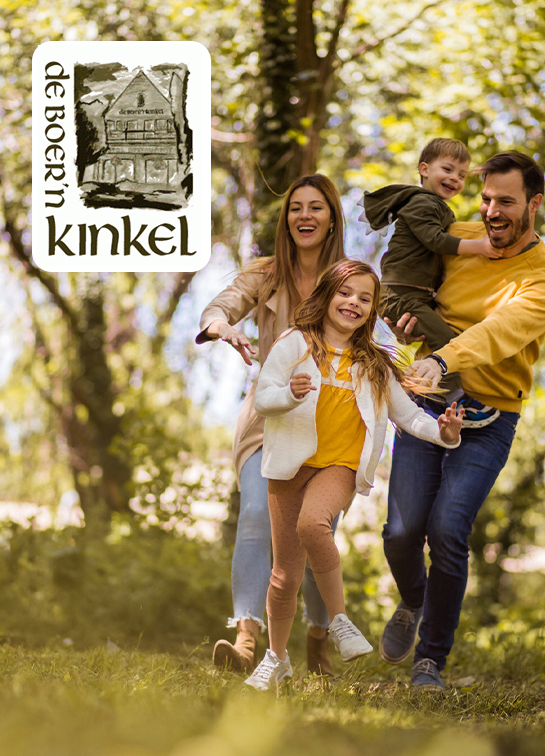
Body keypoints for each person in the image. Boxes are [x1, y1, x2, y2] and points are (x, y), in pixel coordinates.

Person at [378, 151, 545, 689]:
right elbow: (404, 276)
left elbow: (498, 332)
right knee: (400, 532)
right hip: (426, 401)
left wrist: (443, 358)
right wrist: (402, 317)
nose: (491, 212)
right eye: (486, 199)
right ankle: (414, 600)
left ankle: (430, 660)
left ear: (534, 203)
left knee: (447, 529)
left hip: (491, 415)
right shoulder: (457, 238)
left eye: (506, 201)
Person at [244, 260, 463, 690]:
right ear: (327, 295)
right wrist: (289, 394)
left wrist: (443, 433)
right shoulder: (295, 344)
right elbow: (264, 398)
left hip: (340, 466)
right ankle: (276, 658)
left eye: (365, 298)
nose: (353, 303)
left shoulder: (374, 364)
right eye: (345, 293)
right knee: (284, 576)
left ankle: (340, 621)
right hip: (290, 465)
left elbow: (408, 416)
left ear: (372, 310)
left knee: (313, 524)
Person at [196, 174, 347, 677]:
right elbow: (220, 305)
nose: (304, 216)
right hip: (270, 415)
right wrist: (221, 324)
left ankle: (318, 638)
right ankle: (246, 642)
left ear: (332, 219)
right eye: (295, 208)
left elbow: (382, 336)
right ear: (286, 220)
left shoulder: (349, 280)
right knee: (257, 516)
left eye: (315, 207)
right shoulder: (265, 274)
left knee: (315, 531)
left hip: (331, 424)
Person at [359, 138, 503, 427]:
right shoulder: (422, 202)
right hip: (400, 295)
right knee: (447, 342)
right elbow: (435, 240)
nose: (455, 179)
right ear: (424, 169)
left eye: (462, 175)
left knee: (443, 338)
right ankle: (457, 401)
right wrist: (479, 246)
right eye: (447, 170)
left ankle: (422, 395)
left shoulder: (436, 206)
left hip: (413, 295)